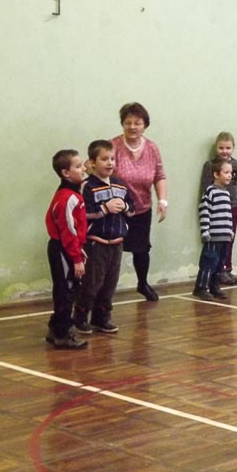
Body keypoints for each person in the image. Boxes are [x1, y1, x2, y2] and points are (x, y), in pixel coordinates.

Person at [73, 140, 135, 334]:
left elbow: (132, 209)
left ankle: (102, 317)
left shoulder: (120, 185)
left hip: (117, 243)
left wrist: (125, 207)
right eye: (104, 159)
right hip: (96, 243)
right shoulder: (87, 186)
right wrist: (104, 209)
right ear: (92, 162)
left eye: (112, 159)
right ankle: (81, 317)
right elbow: (82, 213)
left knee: (110, 284)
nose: (109, 163)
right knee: (92, 283)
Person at [112, 102, 167, 301]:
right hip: (116, 209)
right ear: (122, 124)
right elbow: (95, 166)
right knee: (112, 250)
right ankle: (104, 290)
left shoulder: (152, 148)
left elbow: (159, 176)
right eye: (128, 122)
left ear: (145, 125)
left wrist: (162, 201)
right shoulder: (112, 146)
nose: (132, 127)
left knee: (142, 249)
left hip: (142, 208)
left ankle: (142, 284)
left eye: (137, 123)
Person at [44, 149, 89, 350]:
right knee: (66, 291)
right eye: (78, 166)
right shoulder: (67, 198)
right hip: (61, 248)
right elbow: (68, 231)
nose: (83, 168)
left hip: (68, 248)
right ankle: (63, 334)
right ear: (65, 173)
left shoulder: (74, 194)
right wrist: (76, 258)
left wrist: (79, 249)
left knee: (68, 290)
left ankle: (55, 329)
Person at [200, 132, 237, 286]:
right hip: (216, 208)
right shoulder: (210, 165)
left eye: (228, 148)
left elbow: (234, 184)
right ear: (216, 148)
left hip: (232, 205)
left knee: (229, 239)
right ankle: (216, 271)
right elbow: (205, 187)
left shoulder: (235, 164)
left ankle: (227, 268)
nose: (225, 151)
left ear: (233, 148)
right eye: (221, 148)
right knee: (216, 243)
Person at [194, 159, 235, 301]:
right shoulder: (211, 191)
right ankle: (201, 287)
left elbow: (228, 214)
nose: (230, 175)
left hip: (225, 237)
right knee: (209, 262)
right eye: (226, 172)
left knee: (219, 264)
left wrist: (230, 231)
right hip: (213, 237)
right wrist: (205, 231)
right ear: (216, 174)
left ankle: (214, 286)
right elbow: (204, 210)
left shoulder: (226, 194)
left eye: (231, 173)